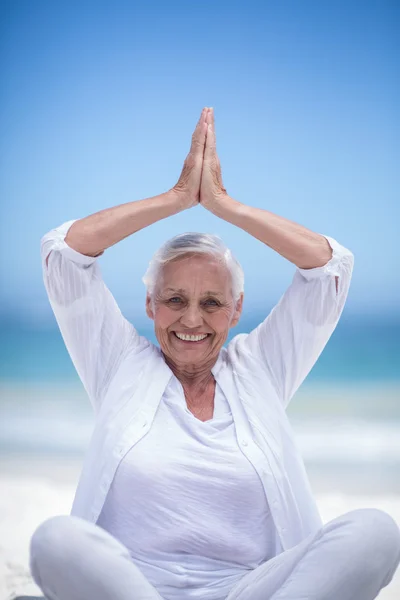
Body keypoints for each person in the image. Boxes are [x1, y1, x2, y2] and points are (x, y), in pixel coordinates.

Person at [30, 107, 400, 600]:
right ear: (149, 304)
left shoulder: (261, 368)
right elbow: (64, 255)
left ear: (236, 309)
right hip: (134, 590)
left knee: (376, 531)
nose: (191, 320)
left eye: (211, 303)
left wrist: (224, 205)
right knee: (55, 539)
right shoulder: (118, 363)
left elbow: (331, 268)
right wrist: (177, 199)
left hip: (249, 591)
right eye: (175, 300)